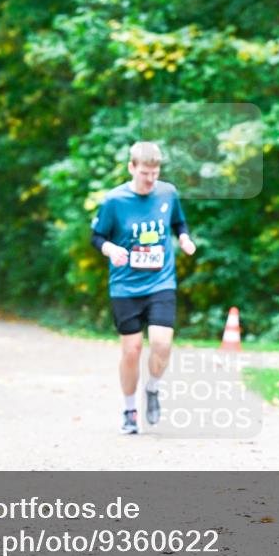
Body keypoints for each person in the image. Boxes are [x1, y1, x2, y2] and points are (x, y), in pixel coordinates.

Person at [90, 142, 197, 434]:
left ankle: (152, 388)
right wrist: (111, 249)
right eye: (145, 173)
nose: (150, 179)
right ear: (131, 168)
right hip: (125, 286)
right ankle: (129, 410)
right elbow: (97, 237)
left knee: (162, 343)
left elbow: (179, 223)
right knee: (132, 350)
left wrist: (184, 239)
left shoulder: (168, 193)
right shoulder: (114, 201)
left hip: (161, 281)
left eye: (155, 173)